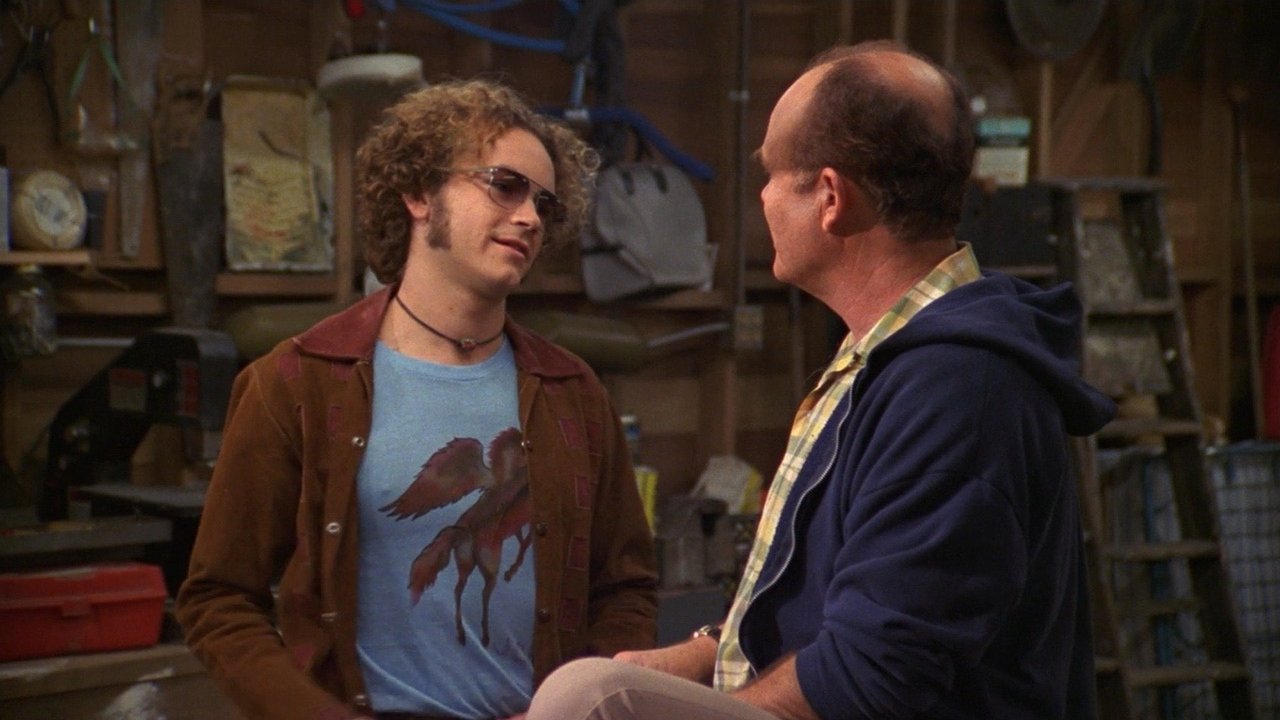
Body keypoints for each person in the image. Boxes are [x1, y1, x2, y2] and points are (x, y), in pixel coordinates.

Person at [525, 40, 1116, 720]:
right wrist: (706, 655)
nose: (764, 196)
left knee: (588, 700)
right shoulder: (886, 356)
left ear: (830, 198)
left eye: (774, 174)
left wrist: (709, 704)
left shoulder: (957, 389)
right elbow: (846, 605)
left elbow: (878, 673)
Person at [177, 78, 659, 720]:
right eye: (504, 185)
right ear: (419, 193)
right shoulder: (298, 382)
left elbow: (624, 589)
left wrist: (576, 710)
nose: (529, 218)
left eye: (543, 202)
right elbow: (219, 599)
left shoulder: (573, 394)